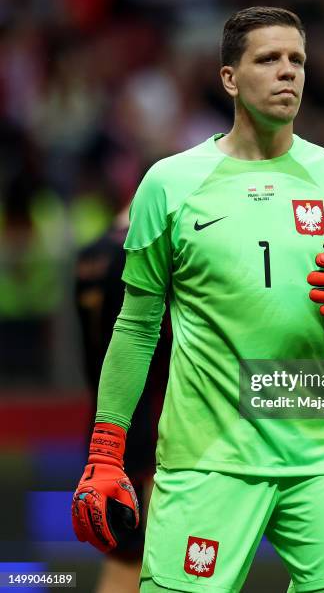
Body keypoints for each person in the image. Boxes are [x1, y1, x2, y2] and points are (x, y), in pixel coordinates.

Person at [72, 6, 324, 593]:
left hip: (319, 449)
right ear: (230, 77)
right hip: (206, 458)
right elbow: (135, 328)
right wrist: (106, 451)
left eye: (297, 61)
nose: (288, 73)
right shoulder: (170, 183)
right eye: (269, 59)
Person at [75, 204, 170, 592]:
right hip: (145, 423)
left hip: (103, 416)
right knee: (140, 562)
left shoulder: (88, 253)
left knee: (125, 557)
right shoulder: (143, 251)